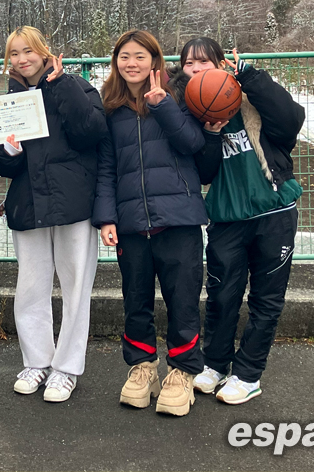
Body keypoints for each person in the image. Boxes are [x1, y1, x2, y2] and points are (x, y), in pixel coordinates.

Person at [174, 37, 305, 405]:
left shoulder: (252, 102)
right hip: (226, 217)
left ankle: (248, 374)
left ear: (222, 65)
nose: (197, 70)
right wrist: (211, 134)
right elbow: (202, 172)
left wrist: (251, 77)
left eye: (204, 62)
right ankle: (215, 364)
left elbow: (292, 118)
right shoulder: (190, 115)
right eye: (189, 64)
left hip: (273, 212)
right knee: (221, 294)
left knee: (266, 299)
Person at [93, 30, 208, 417]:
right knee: (136, 300)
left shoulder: (180, 95)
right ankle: (143, 368)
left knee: (183, 300)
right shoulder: (111, 107)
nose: (131, 63)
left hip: (178, 219)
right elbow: (107, 167)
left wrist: (162, 105)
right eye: (124, 56)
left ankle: (182, 372)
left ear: (155, 60)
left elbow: (194, 144)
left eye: (140, 56)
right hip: (131, 223)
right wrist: (106, 217)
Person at [0, 26, 107, 402]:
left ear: (44, 52)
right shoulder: (9, 98)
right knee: (30, 287)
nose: (22, 59)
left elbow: (91, 131)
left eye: (28, 51)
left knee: (76, 287)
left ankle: (66, 368)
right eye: (14, 53)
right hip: (29, 205)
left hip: (74, 203)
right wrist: (9, 151)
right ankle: (36, 361)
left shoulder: (74, 84)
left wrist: (62, 86)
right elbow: (5, 167)